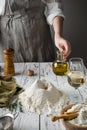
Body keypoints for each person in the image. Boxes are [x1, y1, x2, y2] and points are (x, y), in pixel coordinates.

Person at [0, 0, 71, 62]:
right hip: (5, 37)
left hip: (37, 35)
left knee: (43, 74)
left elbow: (54, 6)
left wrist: (58, 35)